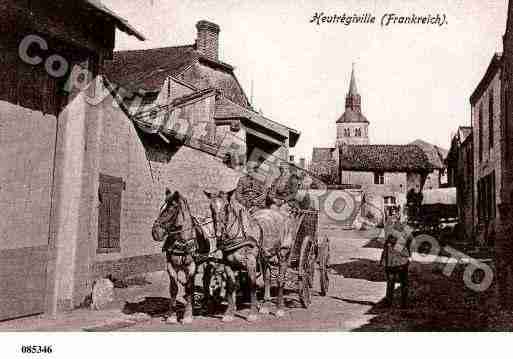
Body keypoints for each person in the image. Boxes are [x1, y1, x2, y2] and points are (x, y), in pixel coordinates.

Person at [380, 209, 414, 309]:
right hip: (400, 259)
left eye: (392, 215)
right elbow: (411, 242)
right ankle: (403, 303)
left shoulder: (387, 227)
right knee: (402, 282)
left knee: (393, 281)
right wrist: (410, 255)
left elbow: (385, 242)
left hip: (392, 259)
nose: (392, 217)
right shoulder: (403, 227)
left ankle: (392, 302)